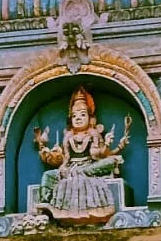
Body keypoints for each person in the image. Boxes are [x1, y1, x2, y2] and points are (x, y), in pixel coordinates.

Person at [34, 87, 130, 223]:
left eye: (83, 114)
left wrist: (109, 144)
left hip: (89, 166)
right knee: (47, 175)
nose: (78, 118)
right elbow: (66, 158)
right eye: (74, 116)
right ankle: (44, 202)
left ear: (91, 118)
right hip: (71, 168)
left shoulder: (93, 134)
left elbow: (99, 155)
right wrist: (63, 167)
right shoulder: (68, 136)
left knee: (110, 162)